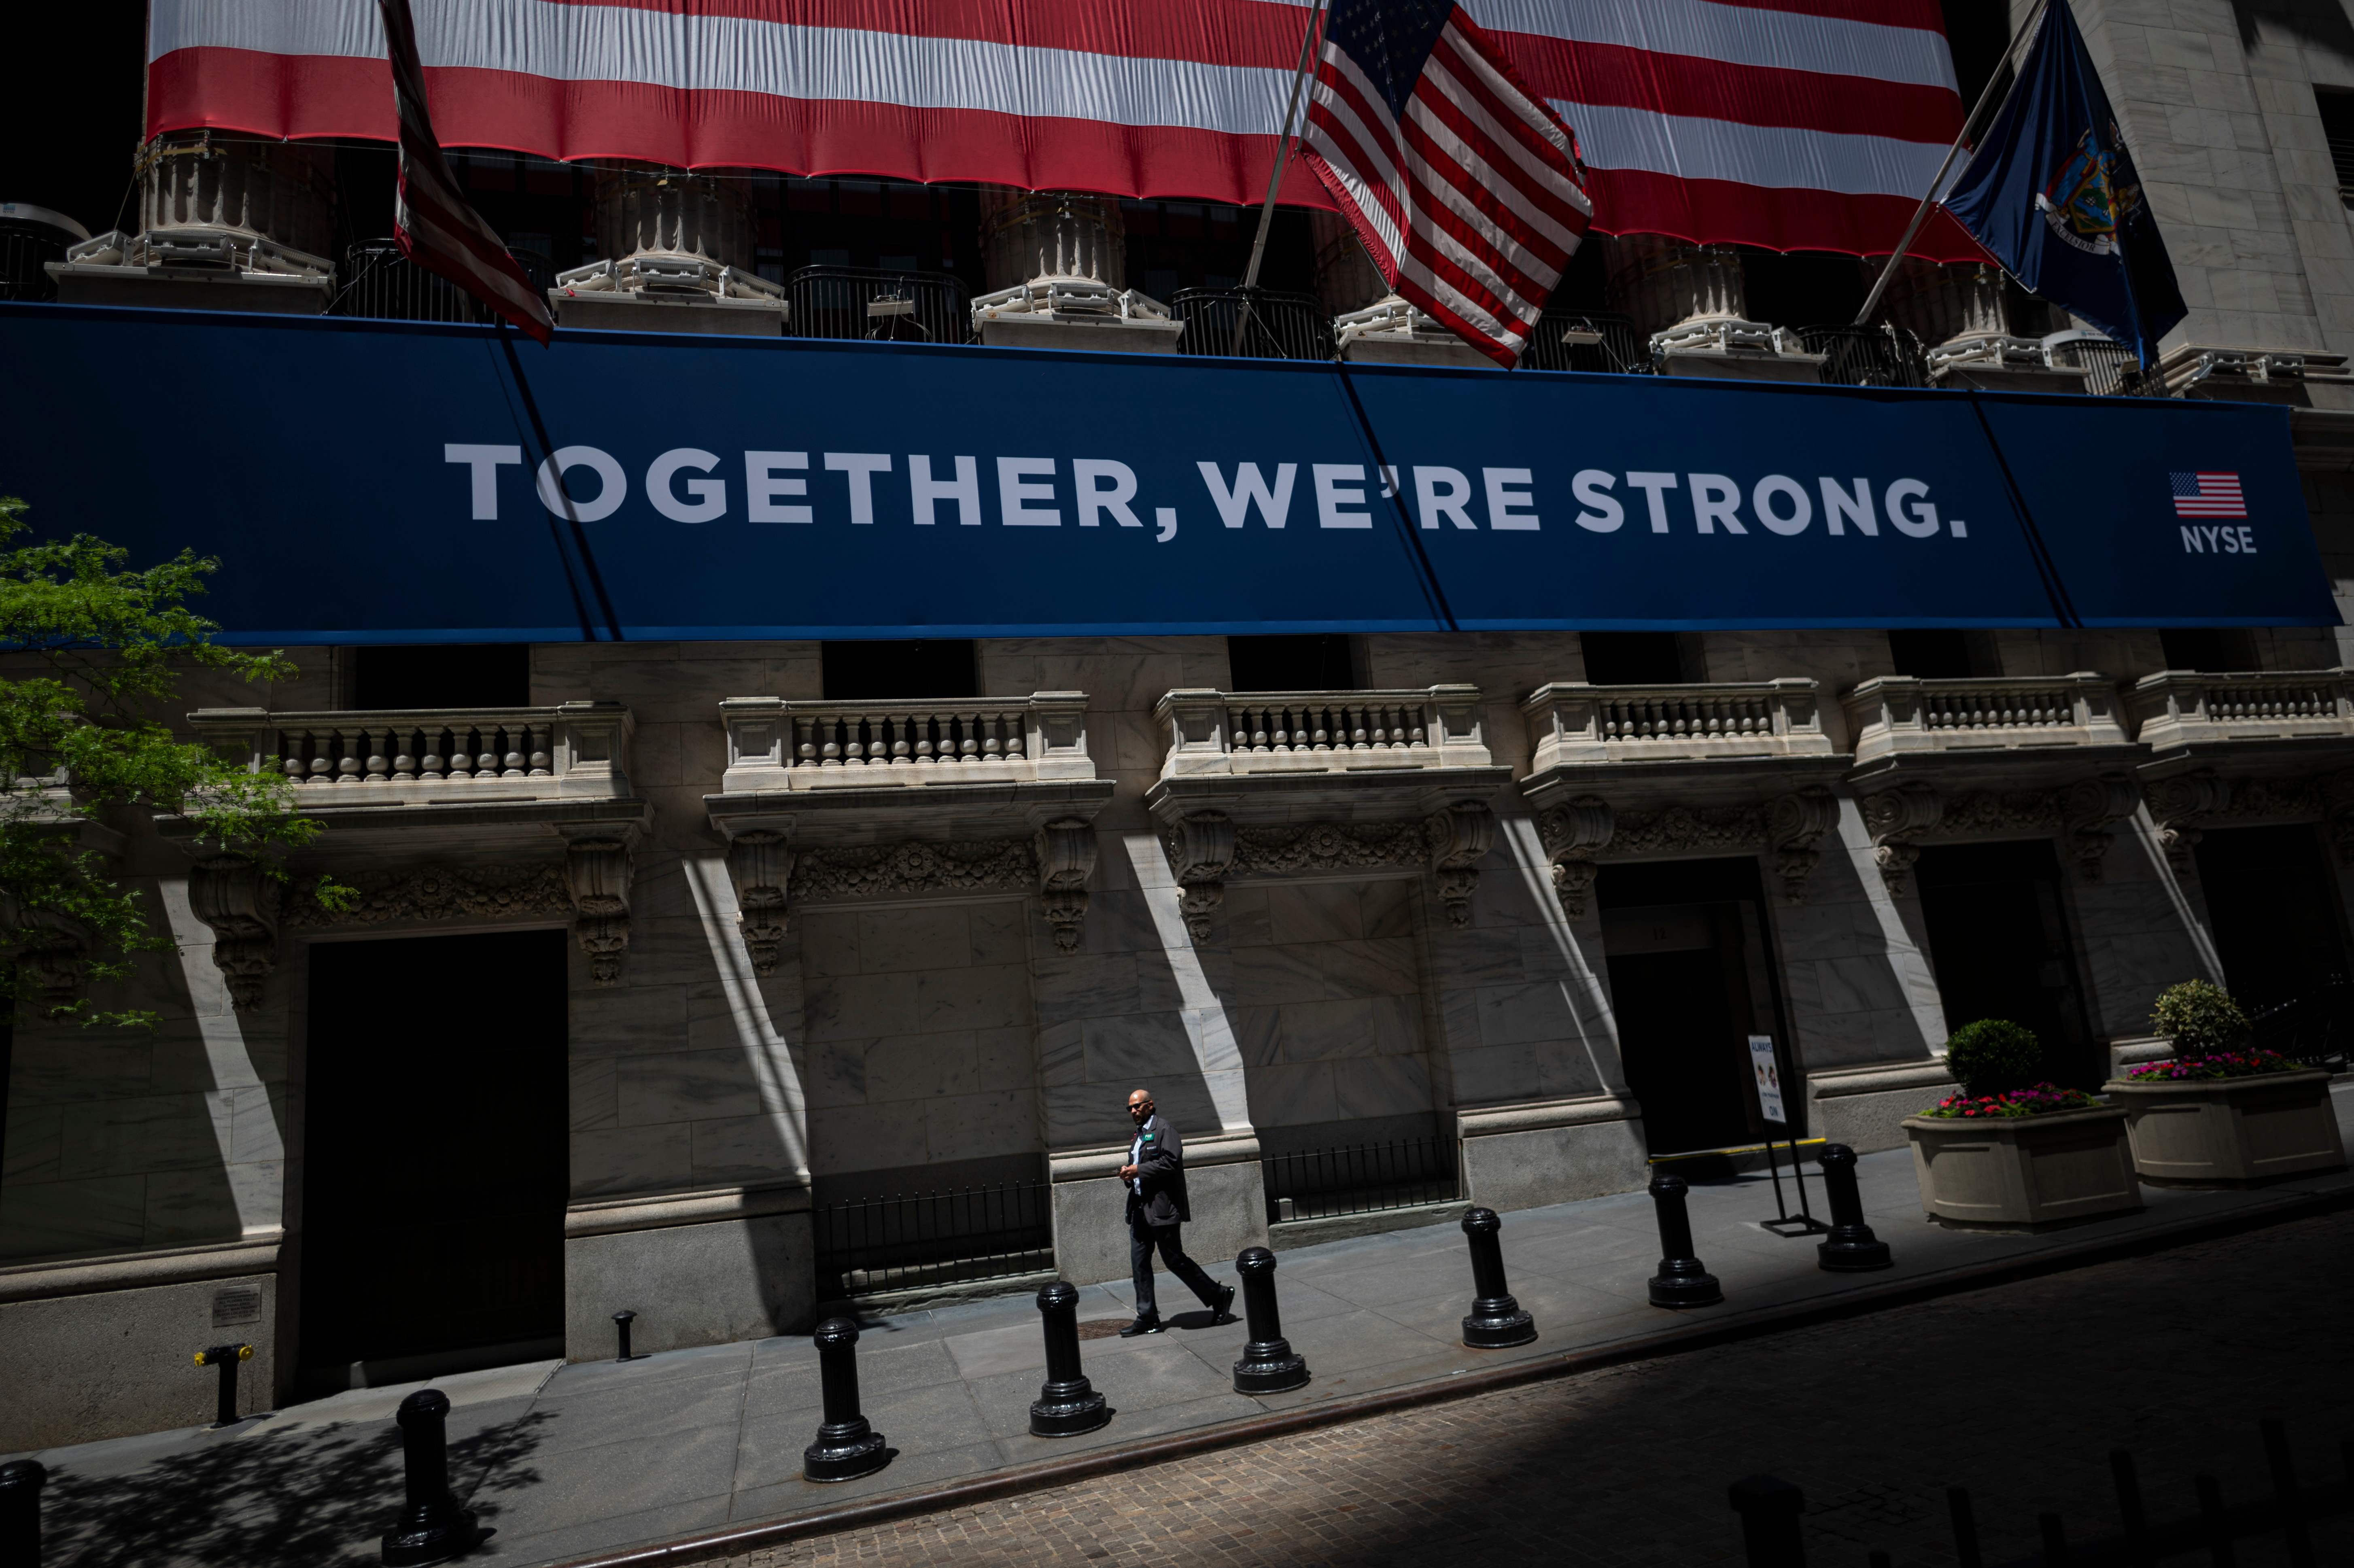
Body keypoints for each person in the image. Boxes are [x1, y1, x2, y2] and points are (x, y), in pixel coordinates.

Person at [1116, 1087, 1235, 1336]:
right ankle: (1148, 1317)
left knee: (1174, 1259)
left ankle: (1218, 1295)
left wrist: (1138, 1170)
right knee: (1139, 1263)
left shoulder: (1164, 1130)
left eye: (1137, 1106)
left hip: (1161, 1208)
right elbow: (1140, 1166)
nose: (1134, 1111)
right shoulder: (1139, 1135)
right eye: (1130, 1108)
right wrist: (1129, 1174)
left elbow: (1171, 1162)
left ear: (1150, 1105)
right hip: (1139, 1208)